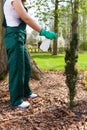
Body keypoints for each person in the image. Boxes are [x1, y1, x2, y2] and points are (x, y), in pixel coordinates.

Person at [3, 0, 57, 108]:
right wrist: (43, 32)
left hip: (19, 37)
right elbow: (26, 18)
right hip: (14, 37)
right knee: (17, 69)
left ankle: (25, 91)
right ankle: (16, 101)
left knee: (26, 66)